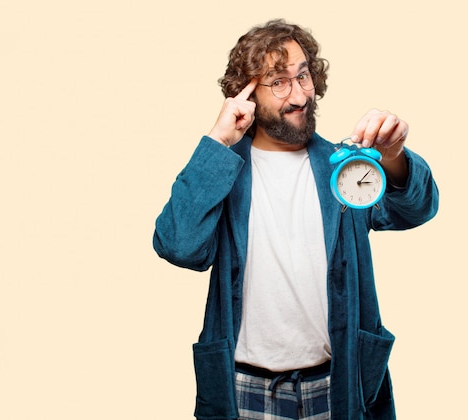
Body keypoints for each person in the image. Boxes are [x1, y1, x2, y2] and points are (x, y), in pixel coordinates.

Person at [153, 19, 439, 420]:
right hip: (243, 386)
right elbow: (179, 245)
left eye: (303, 75)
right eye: (279, 81)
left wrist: (393, 157)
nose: (300, 94)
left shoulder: (346, 167)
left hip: (336, 382)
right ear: (248, 93)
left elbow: (417, 208)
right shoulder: (224, 170)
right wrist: (217, 143)